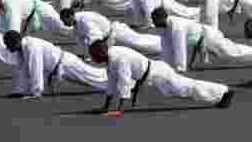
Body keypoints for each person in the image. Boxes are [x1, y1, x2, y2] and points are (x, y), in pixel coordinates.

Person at [90, 40, 234, 114]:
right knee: (186, 90)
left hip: (159, 74)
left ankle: (224, 92)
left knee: (187, 87)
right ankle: (220, 94)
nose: (93, 58)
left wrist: (119, 109)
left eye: (94, 55)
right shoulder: (110, 58)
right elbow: (112, 83)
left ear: (101, 53)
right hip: (155, 74)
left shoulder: (118, 58)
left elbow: (124, 81)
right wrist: (106, 107)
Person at [2, 31, 108, 98]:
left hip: (67, 64)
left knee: (92, 78)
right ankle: (112, 80)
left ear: (15, 42)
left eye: (8, 44)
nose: (7, 48)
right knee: (91, 79)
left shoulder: (31, 46)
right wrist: (19, 91)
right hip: (62, 66)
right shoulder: (22, 49)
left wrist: (36, 92)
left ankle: (114, 81)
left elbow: (35, 69)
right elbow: (21, 70)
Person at [152, 8, 252, 73]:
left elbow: (179, 47)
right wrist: (165, 66)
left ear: (163, 18)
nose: (154, 23)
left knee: (232, 54)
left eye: (155, 20)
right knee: (228, 55)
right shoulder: (164, 28)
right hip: (202, 40)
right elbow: (166, 47)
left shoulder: (176, 25)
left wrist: (180, 67)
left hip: (209, 36)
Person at [60, 8, 162, 57]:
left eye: (65, 21)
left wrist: (94, 53)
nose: (64, 24)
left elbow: (95, 36)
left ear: (70, 16)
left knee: (139, 43)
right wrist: (82, 55)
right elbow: (81, 42)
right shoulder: (76, 25)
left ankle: (162, 44)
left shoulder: (84, 19)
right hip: (108, 40)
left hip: (115, 32)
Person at [0, 0, 72, 38]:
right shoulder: (2, 8)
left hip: (41, 10)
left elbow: (14, 23)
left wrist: (12, 36)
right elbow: (5, 25)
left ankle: (80, 25)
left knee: (65, 28)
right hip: (32, 19)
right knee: (59, 32)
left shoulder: (10, 5)